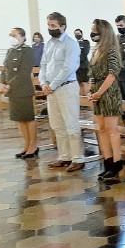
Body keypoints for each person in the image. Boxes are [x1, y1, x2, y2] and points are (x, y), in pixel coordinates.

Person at [39, 12, 85, 172]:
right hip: (51, 90)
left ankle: (78, 158)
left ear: (62, 26)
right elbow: (43, 64)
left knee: (71, 123)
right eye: (48, 25)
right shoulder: (49, 43)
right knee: (57, 124)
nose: (50, 28)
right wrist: (43, 83)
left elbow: (68, 67)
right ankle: (64, 156)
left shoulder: (70, 44)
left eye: (53, 26)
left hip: (66, 87)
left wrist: (52, 84)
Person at [87, 19, 124, 181]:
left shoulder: (112, 50)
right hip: (97, 93)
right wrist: (90, 90)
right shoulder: (96, 50)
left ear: (104, 32)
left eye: (95, 30)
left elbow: (112, 75)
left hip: (109, 93)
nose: (93, 33)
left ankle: (116, 163)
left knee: (111, 129)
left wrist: (99, 92)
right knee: (101, 128)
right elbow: (92, 74)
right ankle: (107, 162)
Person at [1, 27, 38, 159]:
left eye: (14, 35)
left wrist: (9, 84)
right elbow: (5, 68)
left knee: (28, 117)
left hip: (23, 89)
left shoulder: (27, 51)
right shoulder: (11, 51)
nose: (11, 37)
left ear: (22, 36)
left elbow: (24, 72)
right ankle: (26, 144)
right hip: (12, 90)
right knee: (19, 118)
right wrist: (3, 82)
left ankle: (34, 145)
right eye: (10, 35)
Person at [74, 28, 90, 95]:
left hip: (83, 66)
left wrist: (76, 60)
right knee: (79, 83)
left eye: (78, 33)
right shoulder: (74, 43)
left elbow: (84, 53)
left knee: (84, 83)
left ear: (81, 34)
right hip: (76, 67)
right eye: (75, 34)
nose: (77, 35)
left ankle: (86, 99)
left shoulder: (85, 42)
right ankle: (82, 101)